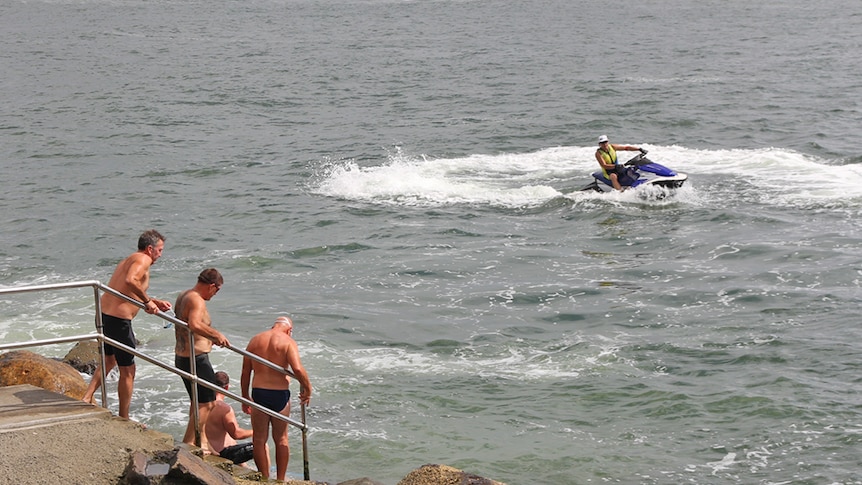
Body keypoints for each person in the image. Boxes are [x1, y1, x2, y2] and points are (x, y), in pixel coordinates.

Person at [82, 230, 172, 419]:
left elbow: (123, 290)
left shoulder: (129, 259)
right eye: (160, 250)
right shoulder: (143, 260)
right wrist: (147, 302)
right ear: (150, 249)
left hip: (105, 314)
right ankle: (124, 417)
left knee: (108, 360)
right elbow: (130, 281)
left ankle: (87, 397)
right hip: (118, 320)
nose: (160, 255)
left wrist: (153, 301)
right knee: (128, 370)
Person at [241, 316, 312, 482]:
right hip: (279, 394)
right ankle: (280, 480)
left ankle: (264, 478)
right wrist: (308, 388)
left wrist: (245, 396)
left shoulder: (255, 340)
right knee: (281, 439)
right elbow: (297, 369)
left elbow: (245, 372)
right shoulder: (287, 341)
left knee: (259, 439)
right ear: (289, 330)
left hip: (259, 393)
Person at [174, 268, 231, 453]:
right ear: (212, 286)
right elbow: (194, 324)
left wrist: (208, 338)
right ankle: (188, 443)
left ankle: (203, 442)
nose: (215, 295)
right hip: (196, 359)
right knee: (208, 403)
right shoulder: (197, 299)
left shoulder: (184, 295)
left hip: (182, 357)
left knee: (197, 402)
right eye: (217, 290)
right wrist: (216, 335)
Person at [206, 371, 261, 465]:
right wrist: (256, 431)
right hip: (222, 453)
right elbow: (237, 434)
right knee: (261, 446)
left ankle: (244, 467)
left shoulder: (201, 404)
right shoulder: (224, 408)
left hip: (207, 448)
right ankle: (266, 475)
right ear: (226, 387)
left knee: (231, 441)